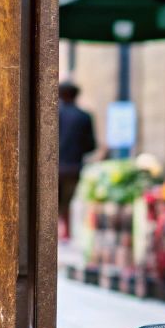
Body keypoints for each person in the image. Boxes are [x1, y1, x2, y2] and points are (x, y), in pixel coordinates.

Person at [57, 79, 97, 241]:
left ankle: (53, 232)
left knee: (51, 200)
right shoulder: (84, 116)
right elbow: (91, 145)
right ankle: (66, 232)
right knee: (67, 200)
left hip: (53, 166)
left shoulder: (54, 113)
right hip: (74, 166)